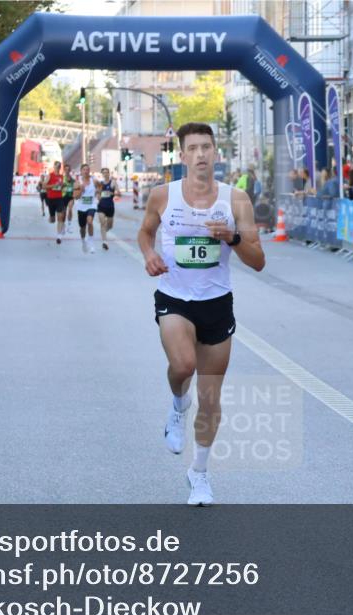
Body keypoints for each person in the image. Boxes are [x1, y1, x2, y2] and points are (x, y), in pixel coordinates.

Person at [137, 121, 265, 506]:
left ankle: (200, 474)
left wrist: (232, 237)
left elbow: (258, 260)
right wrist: (149, 255)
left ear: (215, 152)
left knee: (210, 398)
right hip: (174, 297)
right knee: (183, 365)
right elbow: (145, 233)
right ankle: (178, 405)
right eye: (192, 148)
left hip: (216, 302)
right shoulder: (163, 195)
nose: (200, 155)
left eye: (206, 147)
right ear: (182, 155)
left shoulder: (235, 199)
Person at [73, 163, 100, 253]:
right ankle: (83, 241)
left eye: (87, 169)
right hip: (81, 207)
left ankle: (91, 243)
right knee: (82, 228)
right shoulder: (78, 183)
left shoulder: (94, 181)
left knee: (90, 221)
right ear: (81, 171)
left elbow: (100, 187)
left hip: (91, 205)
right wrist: (81, 190)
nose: (86, 171)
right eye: (84, 170)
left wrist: (98, 193)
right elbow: (75, 197)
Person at [41, 161, 67, 243]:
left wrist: (63, 186)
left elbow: (62, 187)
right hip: (51, 199)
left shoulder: (61, 176)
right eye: (56, 166)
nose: (58, 168)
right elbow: (44, 186)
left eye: (59, 166)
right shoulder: (50, 175)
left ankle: (59, 237)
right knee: (52, 220)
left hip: (59, 198)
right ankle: (51, 217)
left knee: (60, 216)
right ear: (54, 167)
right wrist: (54, 186)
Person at [96, 166, 119, 251]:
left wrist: (114, 193)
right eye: (104, 172)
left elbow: (119, 193)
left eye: (107, 172)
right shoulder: (100, 184)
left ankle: (104, 233)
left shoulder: (113, 182)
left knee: (109, 225)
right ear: (102, 174)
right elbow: (98, 194)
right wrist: (98, 195)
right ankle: (105, 242)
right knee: (102, 223)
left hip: (110, 206)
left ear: (109, 173)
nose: (105, 174)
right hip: (101, 206)